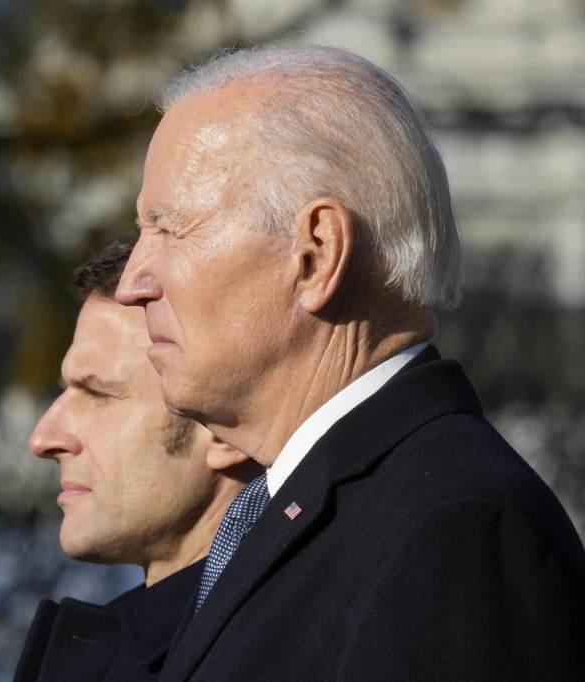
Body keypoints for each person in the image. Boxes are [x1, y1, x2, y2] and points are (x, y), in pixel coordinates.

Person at [115, 44, 585, 681]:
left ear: (315, 254)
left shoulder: (457, 534)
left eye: (168, 229)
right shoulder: (324, 504)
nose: (132, 281)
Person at [14, 235, 262, 682]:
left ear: (225, 426)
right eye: (63, 390)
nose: (44, 438)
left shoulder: (288, 651)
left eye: (100, 394)